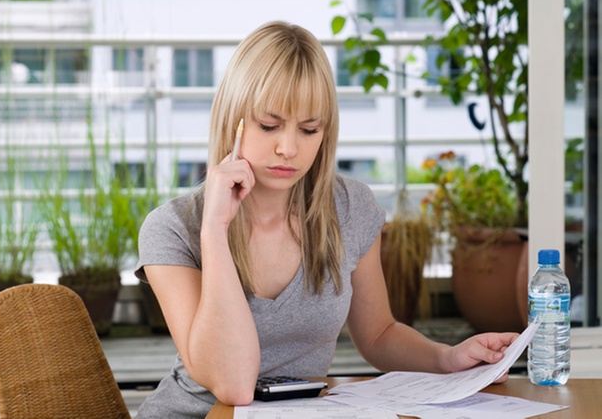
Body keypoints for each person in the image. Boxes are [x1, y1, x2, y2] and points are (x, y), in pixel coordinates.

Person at [134, 21, 518, 418]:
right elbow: (234, 385)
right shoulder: (173, 229)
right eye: (269, 126)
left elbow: (378, 334)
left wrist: (448, 359)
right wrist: (215, 230)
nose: (288, 148)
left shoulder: (350, 208)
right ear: (233, 120)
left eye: (309, 129)